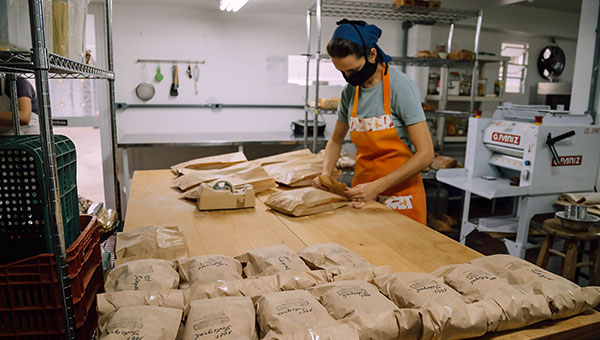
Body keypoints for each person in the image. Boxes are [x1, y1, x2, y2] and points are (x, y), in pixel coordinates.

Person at [313, 19, 433, 224]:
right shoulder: (350, 92)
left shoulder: (400, 87)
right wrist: (326, 173)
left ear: (372, 54)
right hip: (361, 193)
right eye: (342, 72)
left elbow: (426, 155)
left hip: (401, 196)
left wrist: (378, 186)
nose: (348, 77)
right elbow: (336, 140)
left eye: (353, 70)